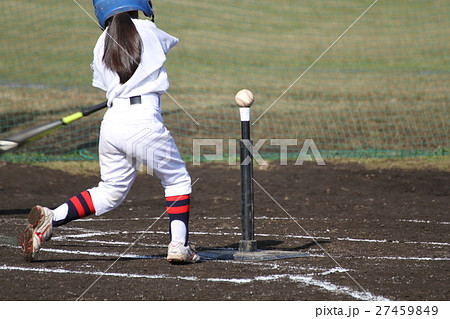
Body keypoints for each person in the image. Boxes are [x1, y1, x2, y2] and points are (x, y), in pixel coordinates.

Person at [21, 0, 199, 264]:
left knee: (110, 191)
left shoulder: (100, 42)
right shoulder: (148, 30)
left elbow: (109, 80)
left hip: (113, 123)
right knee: (177, 181)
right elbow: (162, 46)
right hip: (143, 120)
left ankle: (52, 217)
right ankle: (178, 245)